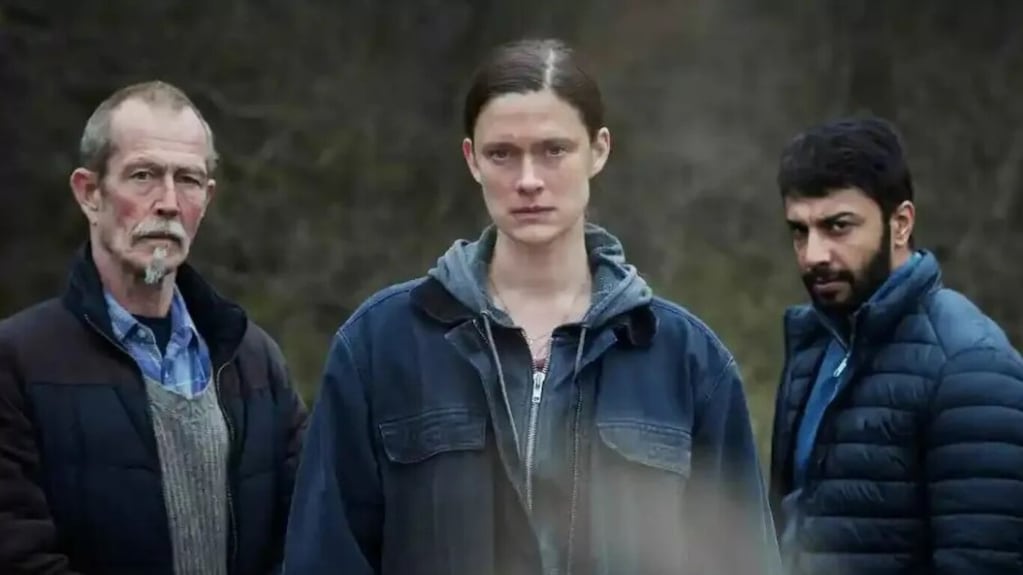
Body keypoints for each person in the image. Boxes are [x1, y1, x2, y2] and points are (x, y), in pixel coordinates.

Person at [283, 38, 780, 575]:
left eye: (553, 150)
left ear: (599, 150)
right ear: (472, 159)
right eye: (502, 153)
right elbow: (324, 556)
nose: (528, 181)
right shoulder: (381, 346)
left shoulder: (686, 360)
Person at [0, 81, 308, 575]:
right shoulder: (18, 362)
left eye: (188, 180)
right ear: (90, 193)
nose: (168, 202)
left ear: (207, 198)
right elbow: (17, 555)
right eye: (143, 175)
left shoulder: (254, 361)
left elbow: (306, 535)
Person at [768, 116, 1023, 575]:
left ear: (900, 224)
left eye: (838, 227)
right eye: (800, 231)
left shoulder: (970, 364)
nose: (813, 255)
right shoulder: (814, 350)